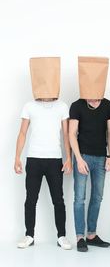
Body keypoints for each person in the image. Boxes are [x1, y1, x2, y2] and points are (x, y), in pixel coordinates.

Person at [15, 57, 72, 250]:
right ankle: (29, 235)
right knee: (31, 199)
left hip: (55, 159)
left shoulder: (62, 106)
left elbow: (66, 136)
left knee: (58, 200)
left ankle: (61, 236)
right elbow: (22, 132)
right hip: (34, 159)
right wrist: (17, 157)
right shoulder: (29, 106)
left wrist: (68, 159)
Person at [69, 56, 110, 252]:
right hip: (84, 156)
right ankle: (80, 237)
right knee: (80, 197)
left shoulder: (107, 104)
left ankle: (92, 235)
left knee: (97, 197)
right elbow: (72, 134)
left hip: (101, 157)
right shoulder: (77, 105)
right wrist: (78, 159)